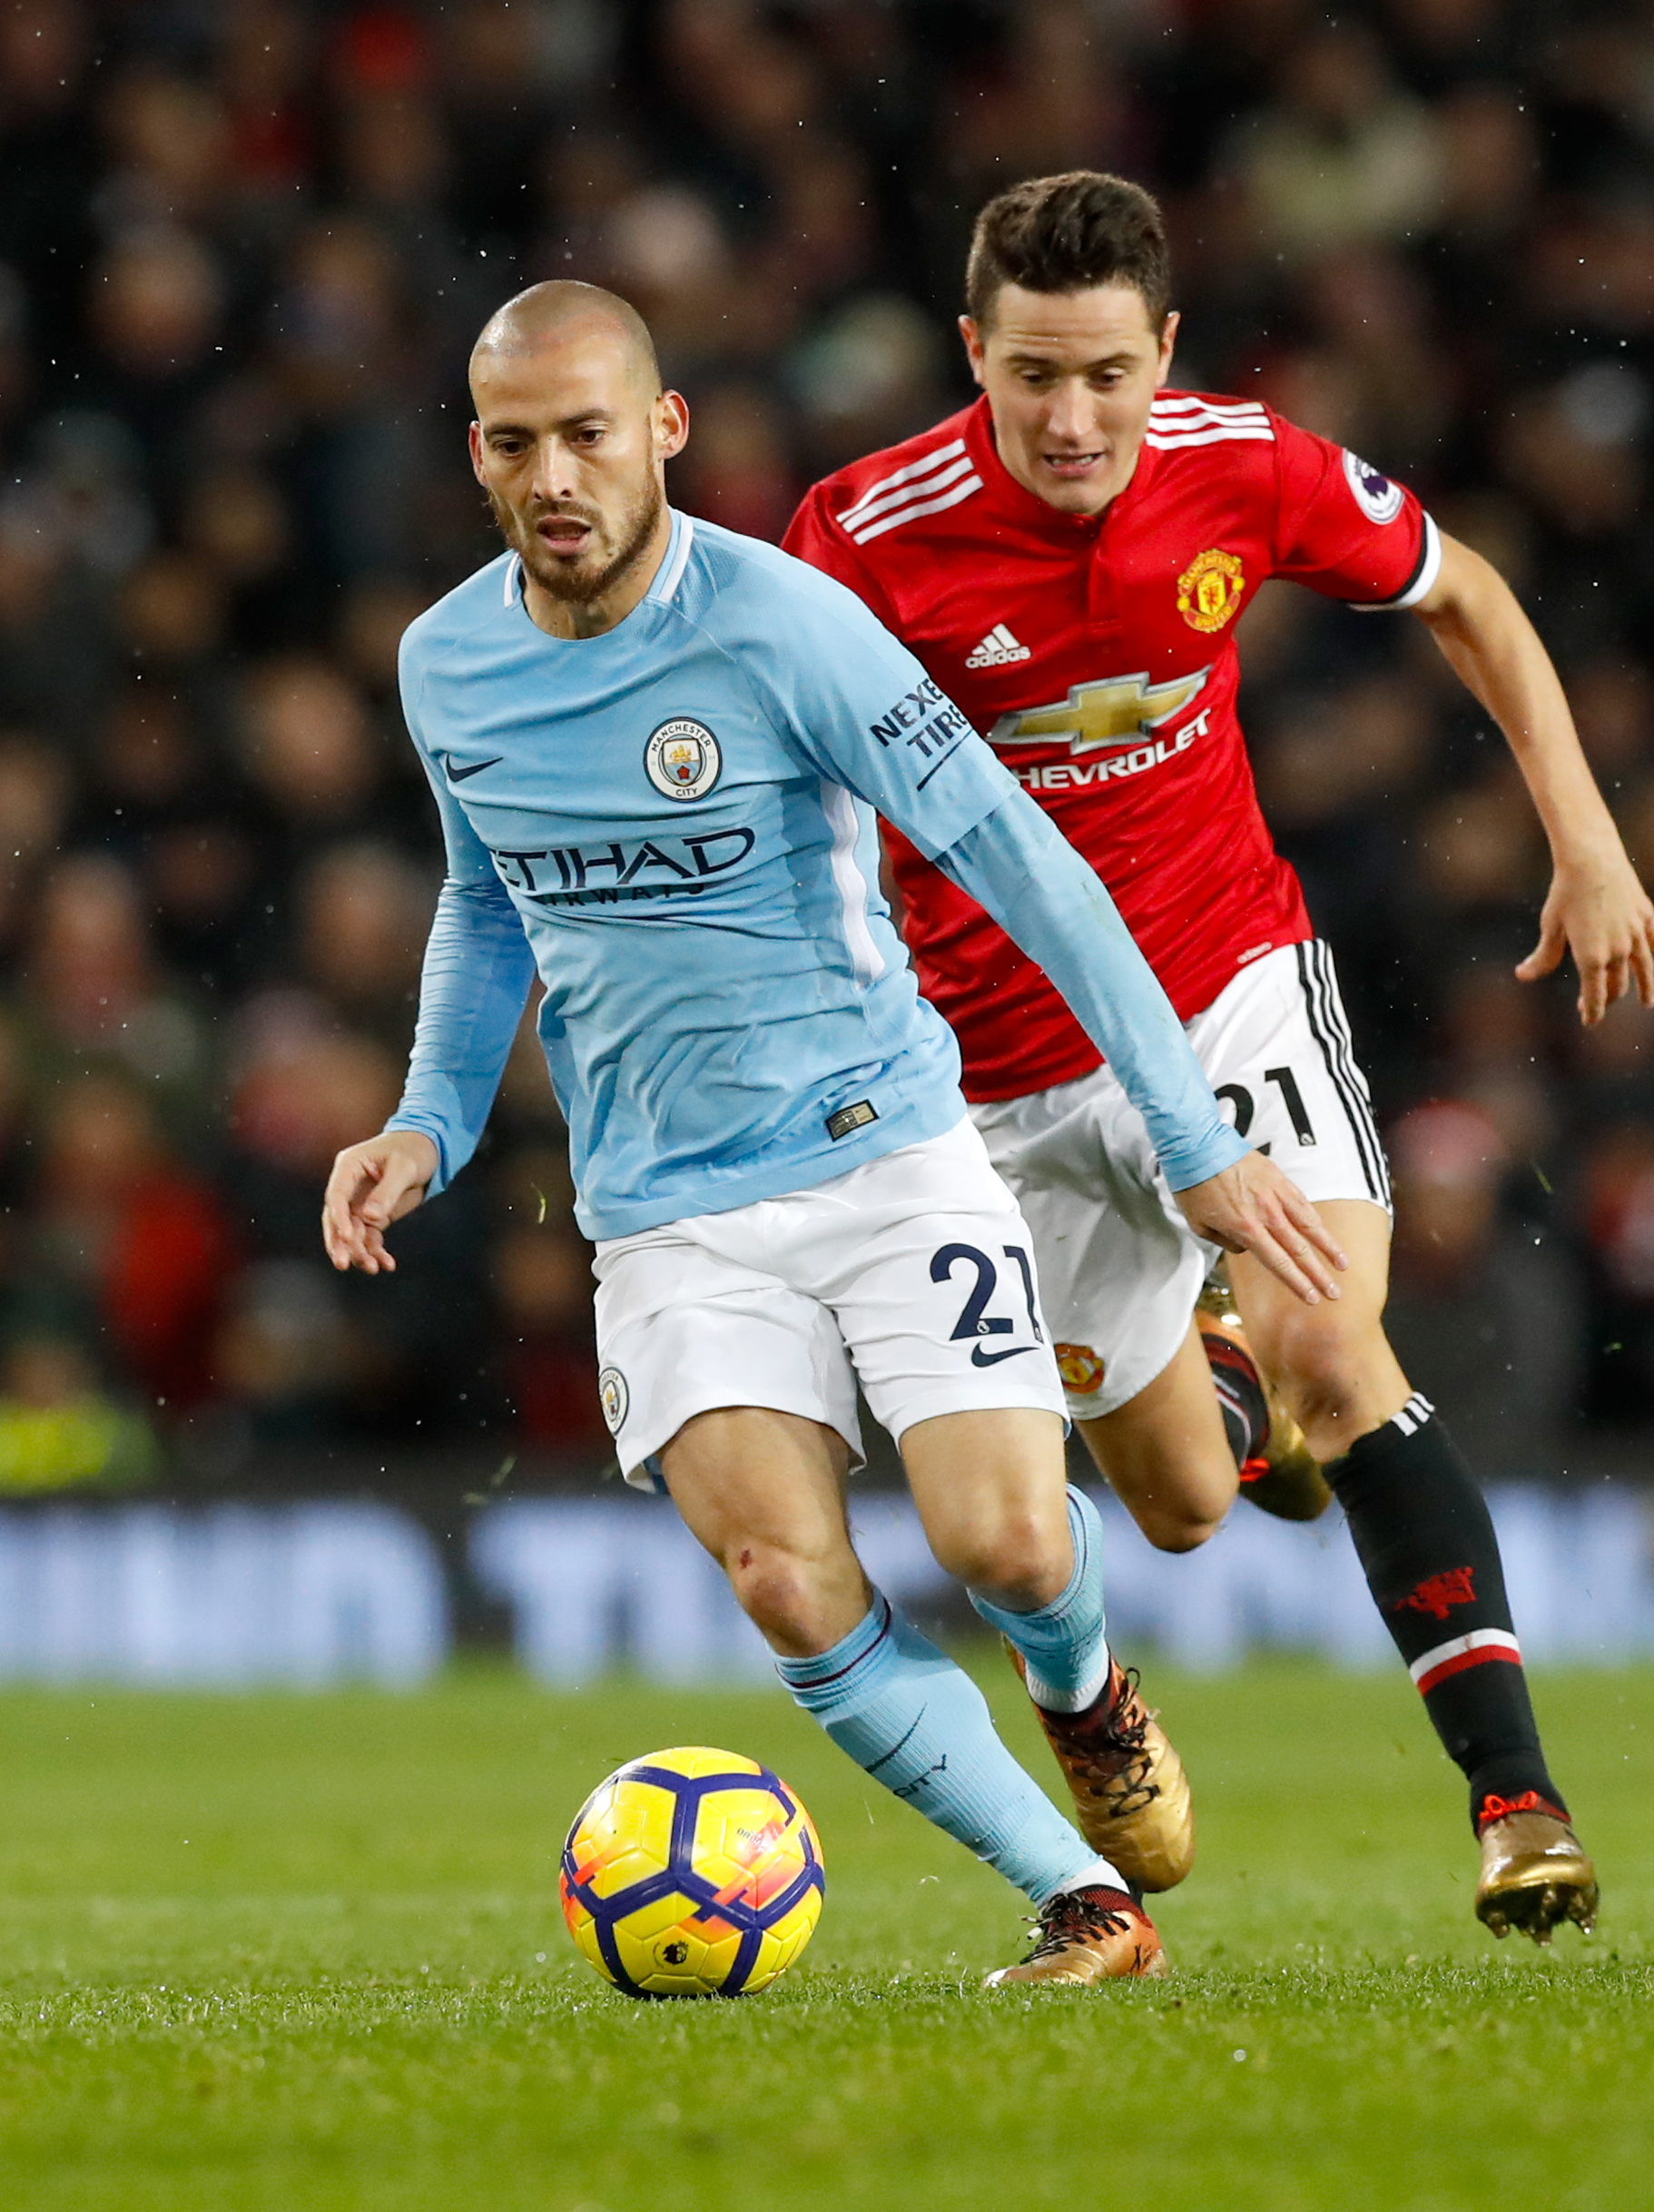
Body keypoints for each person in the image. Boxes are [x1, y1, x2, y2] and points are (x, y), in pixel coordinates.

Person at [320, 280, 1348, 1986]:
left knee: (1008, 1543)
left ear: (665, 430)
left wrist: (1189, 1134)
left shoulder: (788, 624)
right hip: (664, 1209)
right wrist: (426, 1116)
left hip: (883, 1153)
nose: (556, 475)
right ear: (479, 456)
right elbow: (484, 893)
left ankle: (1082, 1688)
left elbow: (1017, 857)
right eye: (518, 443)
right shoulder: (447, 662)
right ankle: (1080, 1903)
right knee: (783, 1578)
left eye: (590, 433)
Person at [784, 172, 1654, 1943]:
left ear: (1162, 348)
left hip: (1222, 986)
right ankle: (1182, 1492)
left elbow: (1468, 593)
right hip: (1001, 1073)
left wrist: (1582, 835)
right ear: (972, 354)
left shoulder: (1244, 463)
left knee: (1340, 1348)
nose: (1070, 419)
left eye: (1107, 373)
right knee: (1190, 1508)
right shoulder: (863, 535)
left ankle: (1516, 1807)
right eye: (1031, 374)